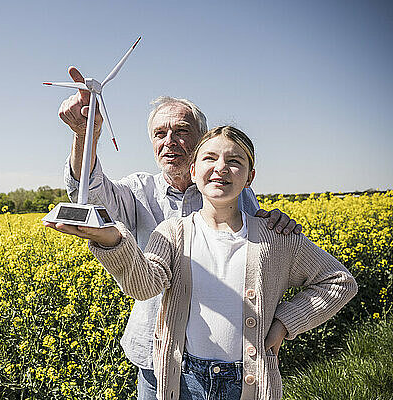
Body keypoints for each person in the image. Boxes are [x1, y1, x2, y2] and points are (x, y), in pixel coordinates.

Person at [45, 126, 357, 400]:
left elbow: (339, 282)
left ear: (250, 177)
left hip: (248, 381)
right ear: (193, 171)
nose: (221, 167)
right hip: (183, 379)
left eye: (235, 161)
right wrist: (113, 240)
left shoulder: (277, 237)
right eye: (210, 159)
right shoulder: (172, 231)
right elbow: (145, 285)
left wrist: (283, 324)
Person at [57, 66, 302, 398]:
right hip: (156, 356)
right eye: (159, 134)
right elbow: (87, 194)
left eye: (181, 131)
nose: (169, 142)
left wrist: (278, 226)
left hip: (227, 359)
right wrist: (85, 136)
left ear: (201, 140)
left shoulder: (233, 191)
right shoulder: (137, 190)